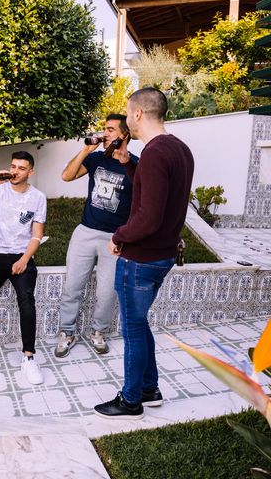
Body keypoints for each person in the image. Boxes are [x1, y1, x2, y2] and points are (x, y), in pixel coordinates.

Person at [94, 87, 194, 419]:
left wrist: (119, 237)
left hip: (141, 259)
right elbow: (156, 195)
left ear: (137, 113)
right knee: (139, 323)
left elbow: (149, 217)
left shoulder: (153, 153)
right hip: (163, 256)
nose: (126, 118)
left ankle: (132, 399)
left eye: (127, 111)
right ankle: (150, 388)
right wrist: (127, 164)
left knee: (133, 329)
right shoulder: (179, 149)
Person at [55, 114, 139, 358]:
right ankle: (66, 332)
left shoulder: (135, 164)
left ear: (124, 136)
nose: (105, 133)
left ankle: (98, 332)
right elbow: (66, 176)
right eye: (104, 128)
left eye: (110, 130)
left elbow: (141, 204)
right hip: (85, 232)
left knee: (106, 292)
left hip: (114, 238)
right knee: (73, 287)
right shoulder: (95, 159)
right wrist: (86, 149)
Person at [0, 151, 46, 385]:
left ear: (30, 172)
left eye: (21, 168)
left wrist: (24, 260)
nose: (15, 171)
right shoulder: (0, 191)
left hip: (21, 255)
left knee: (26, 299)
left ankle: (29, 358)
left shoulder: (38, 197)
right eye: (13, 166)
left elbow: (36, 235)